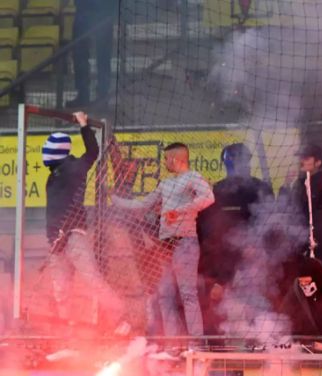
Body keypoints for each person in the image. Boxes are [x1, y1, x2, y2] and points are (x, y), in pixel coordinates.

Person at [112, 143, 215, 339]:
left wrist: (182, 210)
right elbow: (143, 204)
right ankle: (172, 345)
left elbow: (209, 197)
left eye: (167, 158)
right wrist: (116, 200)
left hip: (185, 243)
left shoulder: (192, 177)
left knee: (188, 295)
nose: (165, 162)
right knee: (165, 295)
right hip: (166, 246)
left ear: (177, 159)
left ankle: (196, 344)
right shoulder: (165, 184)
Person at [44, 112, 125, 331]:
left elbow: (92, 152)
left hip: (72, 237)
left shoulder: (72, 169)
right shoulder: (55, 174)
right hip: (55, 241)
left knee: (92, 280)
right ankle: (66, 333)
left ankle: (120, 319)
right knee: (61, 289)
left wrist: (83, 124)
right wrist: (52, 238)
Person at [197, 143, 273, 332]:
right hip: (223, 262)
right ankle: (219, 344)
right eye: (230, 160)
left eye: (238, 160)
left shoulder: (261, 188)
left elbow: (271, 224)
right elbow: (206, 228)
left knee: (255, 302)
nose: (234, 165)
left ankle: (260, 340)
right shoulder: (218, 190)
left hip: (253, 260)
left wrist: (256, 247)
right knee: (220, 306)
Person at [67, 0, 115, 107]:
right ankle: (85, 94)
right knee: (80, 55)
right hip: (85, 11)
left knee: (102, 56)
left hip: (102, 12)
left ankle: (102, 96)